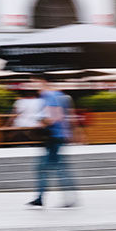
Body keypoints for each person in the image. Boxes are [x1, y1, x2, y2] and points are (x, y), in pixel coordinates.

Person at [26, 76, 79, 208]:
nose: (32, 86)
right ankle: (43, 198)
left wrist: (41, 124)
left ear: (43, 82)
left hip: (54, 137)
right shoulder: (57, 94)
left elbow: (56, 116)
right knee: (55, 168)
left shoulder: (49, 95)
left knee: (49, 168)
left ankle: (65, 198)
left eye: (34, 83)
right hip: (57, 136)